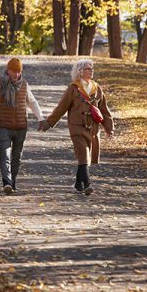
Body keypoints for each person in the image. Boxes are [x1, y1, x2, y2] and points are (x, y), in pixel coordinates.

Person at [38, 59, 114, 195]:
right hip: (77, 128)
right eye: (87, 69)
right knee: (83, 155)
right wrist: (48, 123)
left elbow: (104, 110)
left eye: (91, 69)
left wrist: (109, 127)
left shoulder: (97, 88)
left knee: (85, 158)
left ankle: (78, 184)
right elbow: (61, 107)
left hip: (93, 129)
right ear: (80, 71)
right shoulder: (73, 88)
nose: (91, 71)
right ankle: (87, 185)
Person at [0, 58, 44, 195]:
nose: (16, 74)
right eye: (14, 71)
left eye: (19, 72)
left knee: (17, 157)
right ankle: (7, 182)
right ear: (8, 70)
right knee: (4, 154)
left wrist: (41, 118)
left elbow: (32, 102)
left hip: (20, 126)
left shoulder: (24, 84)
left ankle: (13, 182)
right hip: (3, 126)